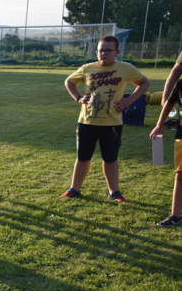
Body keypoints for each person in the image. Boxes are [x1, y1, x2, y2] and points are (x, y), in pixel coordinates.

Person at [59, 35, 149, 202]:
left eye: (108, 50)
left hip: (112, 123)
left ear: (117, 52)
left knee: (110, 158)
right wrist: (78, 98)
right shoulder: (87, 68)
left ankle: (114, 192)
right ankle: (74, 189)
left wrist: (128, 101)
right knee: (82, 157)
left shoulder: (125, 68)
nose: (104, 54)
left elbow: (144, 83)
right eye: (101, 51)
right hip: (87, 121)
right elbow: (69, 82)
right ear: (96, 52)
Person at [149, 73, 182, 227]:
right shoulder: (180, 84)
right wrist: (159, 125)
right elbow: (169, 103)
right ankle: (175, 216)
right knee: (180, 176)